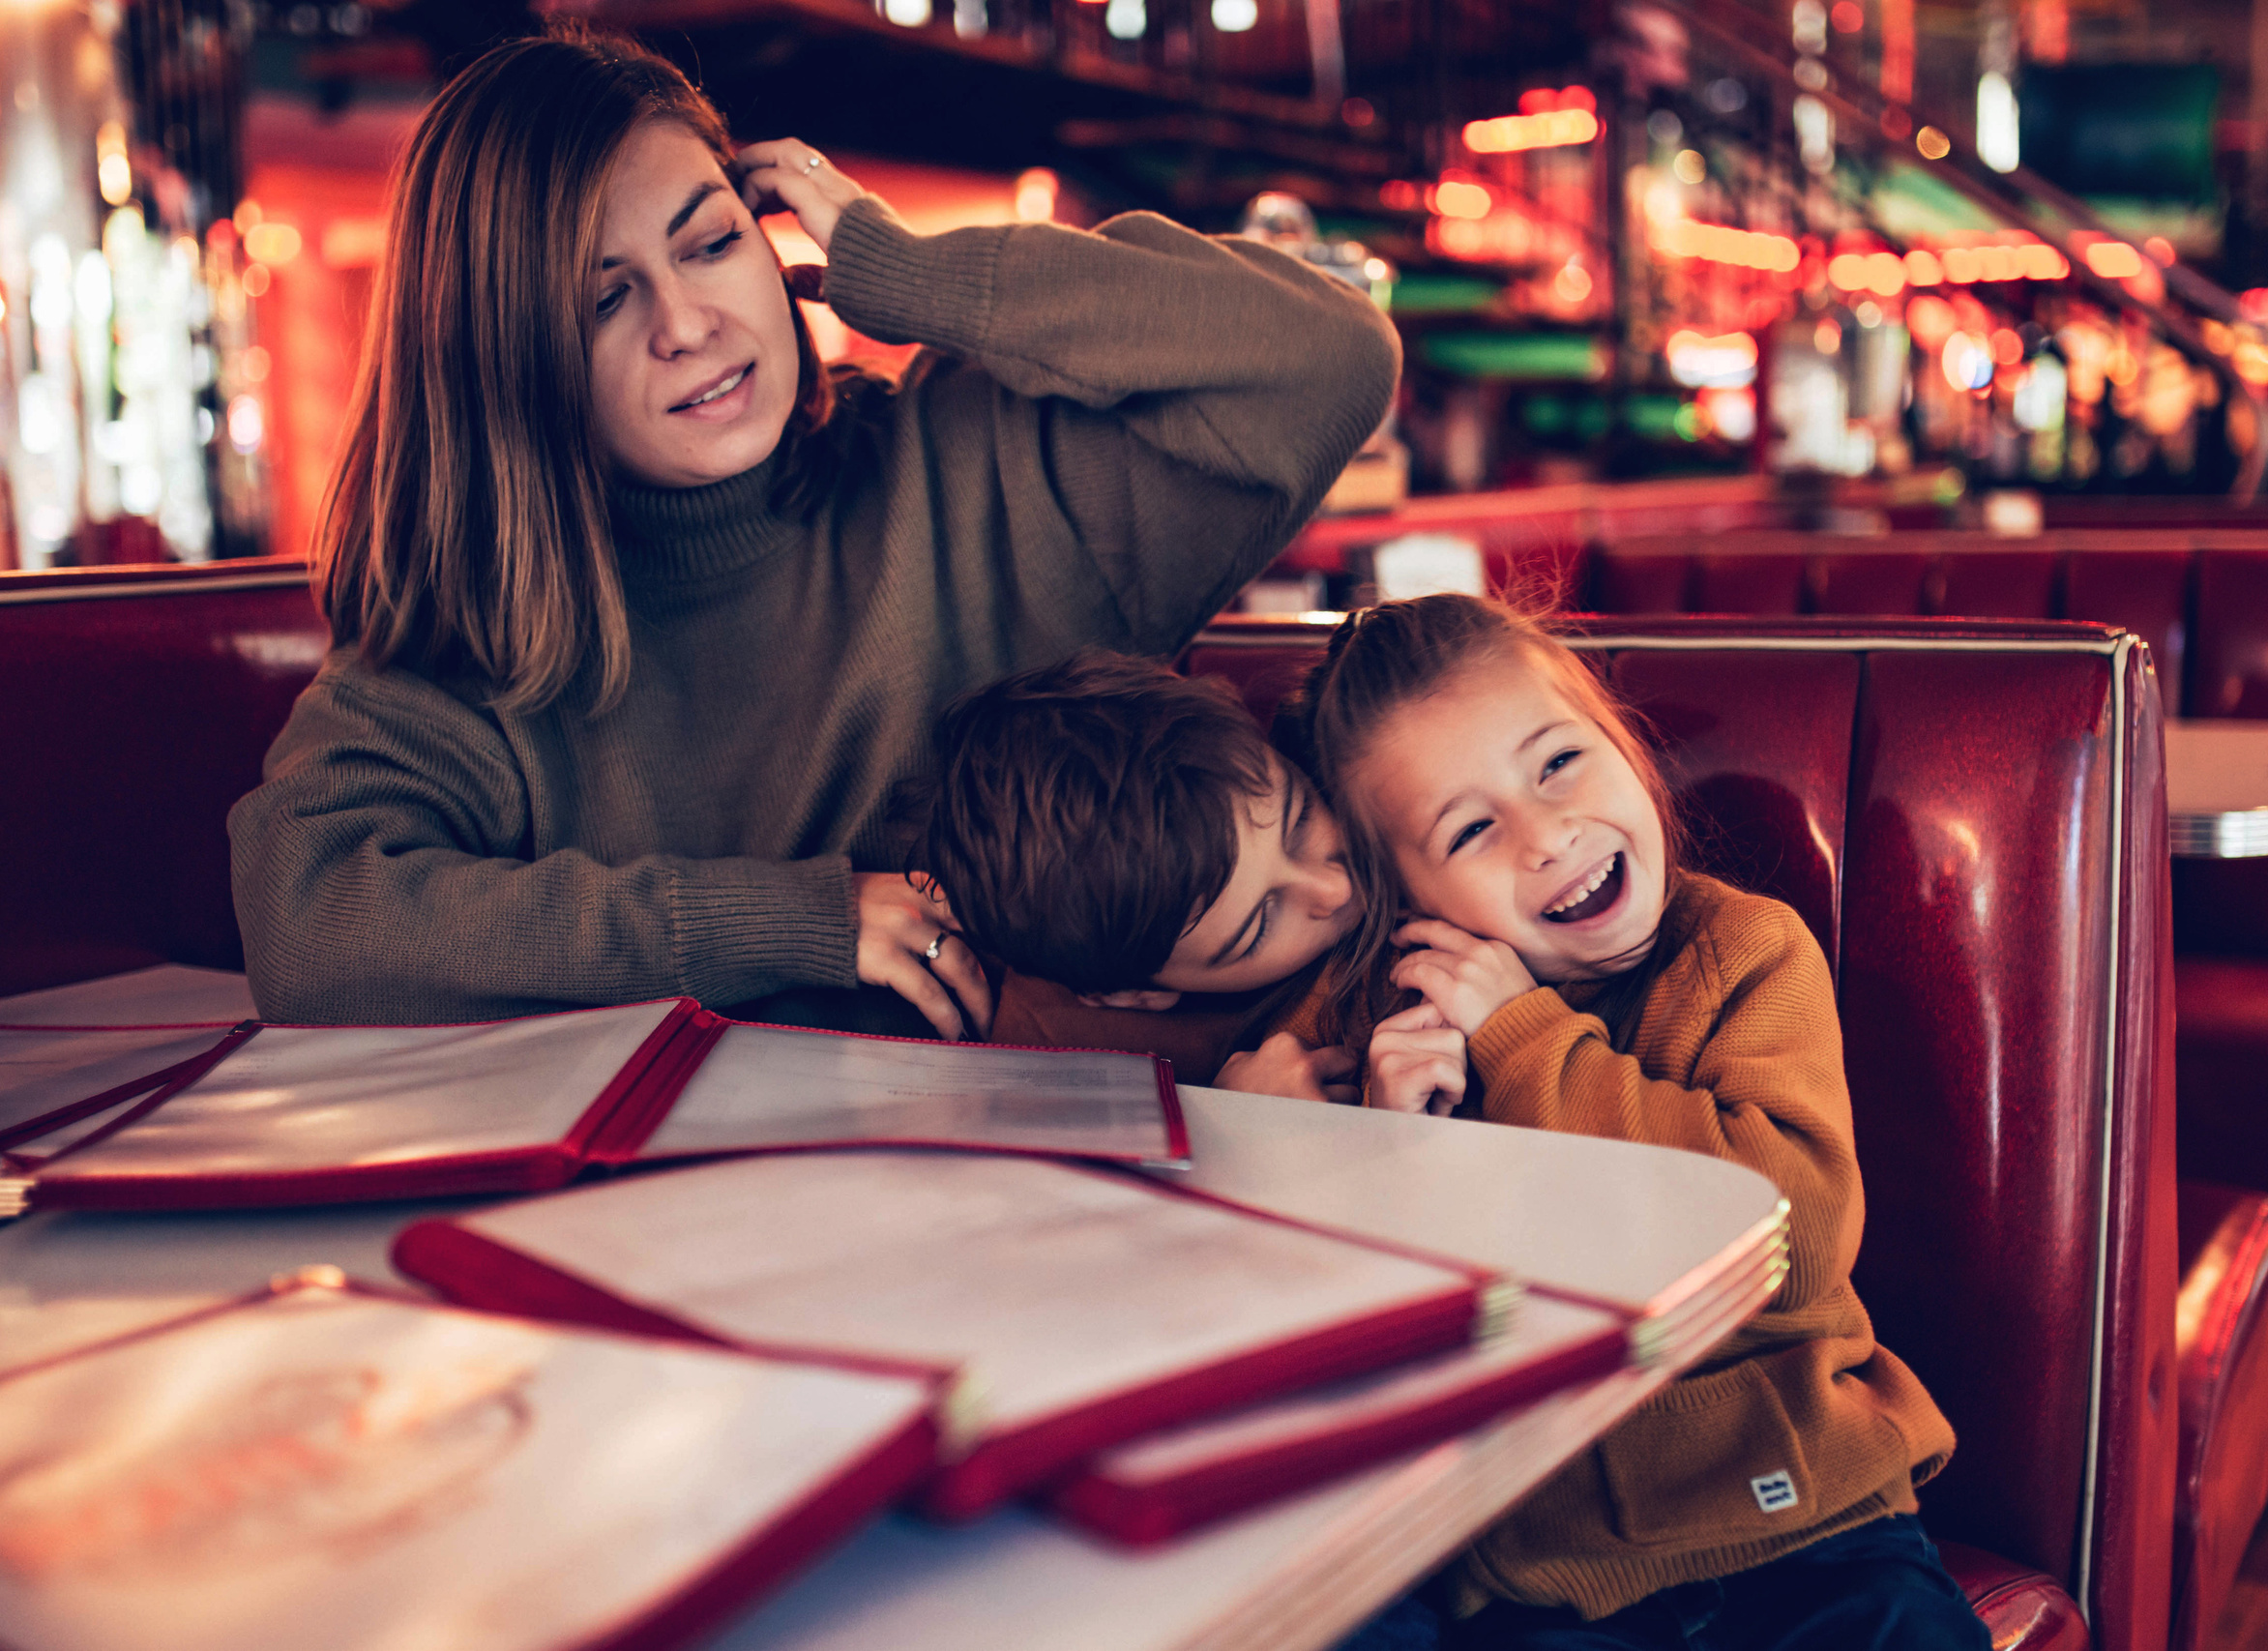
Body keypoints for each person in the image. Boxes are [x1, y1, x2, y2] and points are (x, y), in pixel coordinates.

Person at [226, 26, 1399, 1037]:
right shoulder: (488, 620)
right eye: (601, 297)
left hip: (1062, 1196)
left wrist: (906, 273)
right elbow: (310, 925)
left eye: (711, 242)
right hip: (670, 1226)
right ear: (505, 357)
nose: (687, 323)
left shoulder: (981, 464)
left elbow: (1327, 358)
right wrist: (786, 919)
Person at [1281, 593, 1985, 1651]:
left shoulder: (1741, 953)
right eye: (1470, 829)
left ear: (1620, 737)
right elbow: (1362, 1353)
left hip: (1810, 1524)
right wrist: (1383, 1149)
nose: (1547, 832)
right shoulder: (1387, 1032)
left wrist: (1526, 1045)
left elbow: (1787, 1244)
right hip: (1543, 1568)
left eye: (1558, 762)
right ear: (1402, 903)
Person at [912, 650, 1360, 1097]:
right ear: (1132, 996)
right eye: (1259, 927)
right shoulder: (1054, 1089)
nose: (1337, 887)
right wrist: (1237, 1128)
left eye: (1299, 819)